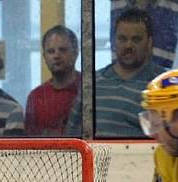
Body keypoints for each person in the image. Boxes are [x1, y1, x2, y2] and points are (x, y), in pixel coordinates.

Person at [66, 8, 166, 137]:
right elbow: (71, 136)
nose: (128, 46)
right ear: (114, 42)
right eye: (122, 39)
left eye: (136, 40)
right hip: (92, 156)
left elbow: (167, 141)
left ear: (149, 43)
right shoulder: (93, 82)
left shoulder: (162, 85)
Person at [25, 25, 80, 136]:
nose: (56, 56)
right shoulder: (36, 97)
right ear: (44, 56)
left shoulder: (89, 89)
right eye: (51, 51)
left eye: (62, 50)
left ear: (75, 53)